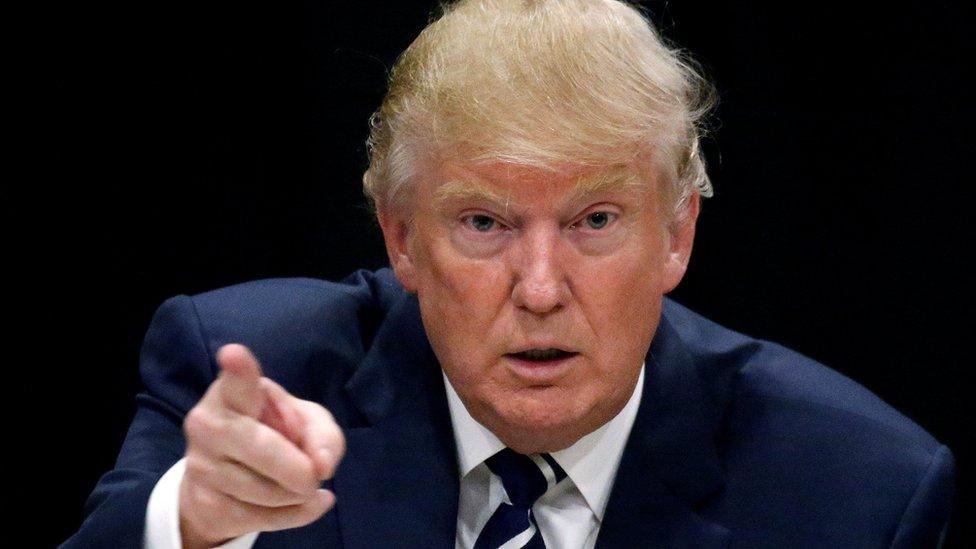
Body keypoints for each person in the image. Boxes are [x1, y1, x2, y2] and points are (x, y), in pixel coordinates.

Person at [64, 0, 955, 547]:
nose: (538, 288)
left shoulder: (857, 491)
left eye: (594, 221)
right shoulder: (257, 376)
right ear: (402, 239)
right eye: (484, 222)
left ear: (677, 235)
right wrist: (192, 521)